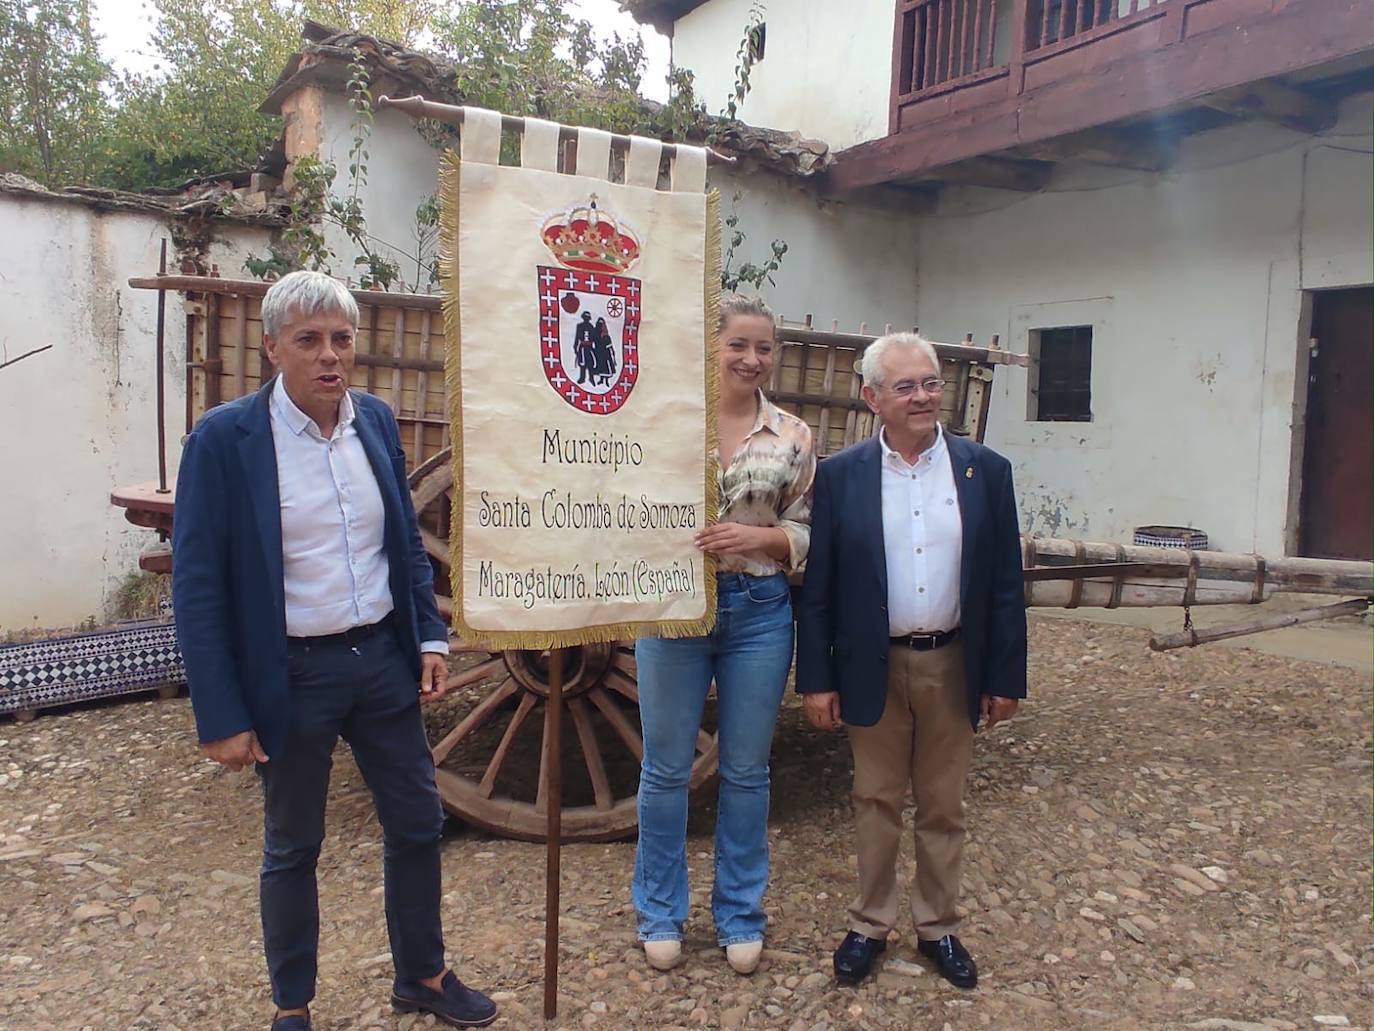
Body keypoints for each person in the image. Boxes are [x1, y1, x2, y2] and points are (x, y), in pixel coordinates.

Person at [171, 270, 497, 1030]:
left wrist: (426, 633)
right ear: (273, 347)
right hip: (292, 672)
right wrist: (221, 712)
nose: (329, 356)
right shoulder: (225, 442)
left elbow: (406, 546)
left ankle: (423, 973)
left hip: (378, 661)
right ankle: (293, 1005)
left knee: (418, 822)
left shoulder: (375, 423)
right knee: (294, 844)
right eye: (310, 340)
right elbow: (197, 586)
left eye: (341, 340)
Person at [796, 332, 1027, 990]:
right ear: (873, 398)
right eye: (907, 386)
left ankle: (938, 925)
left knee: (943, 802)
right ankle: (869, 922)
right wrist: (817, 679)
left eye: (930, 382)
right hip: (873, 662)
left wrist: (1005, 677)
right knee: (874, 798)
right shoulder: (842, 476)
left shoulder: (987, 471)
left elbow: (1006, 585)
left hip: (953, 661)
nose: (925, 395)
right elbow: (821, 590)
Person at [632, 295, 816, 975]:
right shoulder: (660, 423)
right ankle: (659, 910)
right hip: (674, 608)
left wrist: (759, 536)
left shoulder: (793, 434)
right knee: (665, 768)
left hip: (759, 609)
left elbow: (805, 530)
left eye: (764, 347)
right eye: (738, 343)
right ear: (711, 346)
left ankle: (740, 912)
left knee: (746, 769)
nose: (752, 358)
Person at [574, 310, 597, 384]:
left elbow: (594, 338)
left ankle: (591, 377)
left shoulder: (591, 327)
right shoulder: (580, 326)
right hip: (583, 347)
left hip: (588, 347)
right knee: (582, 363)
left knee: (589, 363)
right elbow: (577, 337)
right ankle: (582, 378)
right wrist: (575, 347)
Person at [592, 317, 617, 386]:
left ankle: (606, 380)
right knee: (600, 367)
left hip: (605, 353)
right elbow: (593, 340)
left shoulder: (605, 335)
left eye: (601, 324)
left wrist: (612, 351)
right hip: (598, 352)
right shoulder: (595, 332)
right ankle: (601, 379)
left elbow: (609, 344)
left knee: (606, 367)